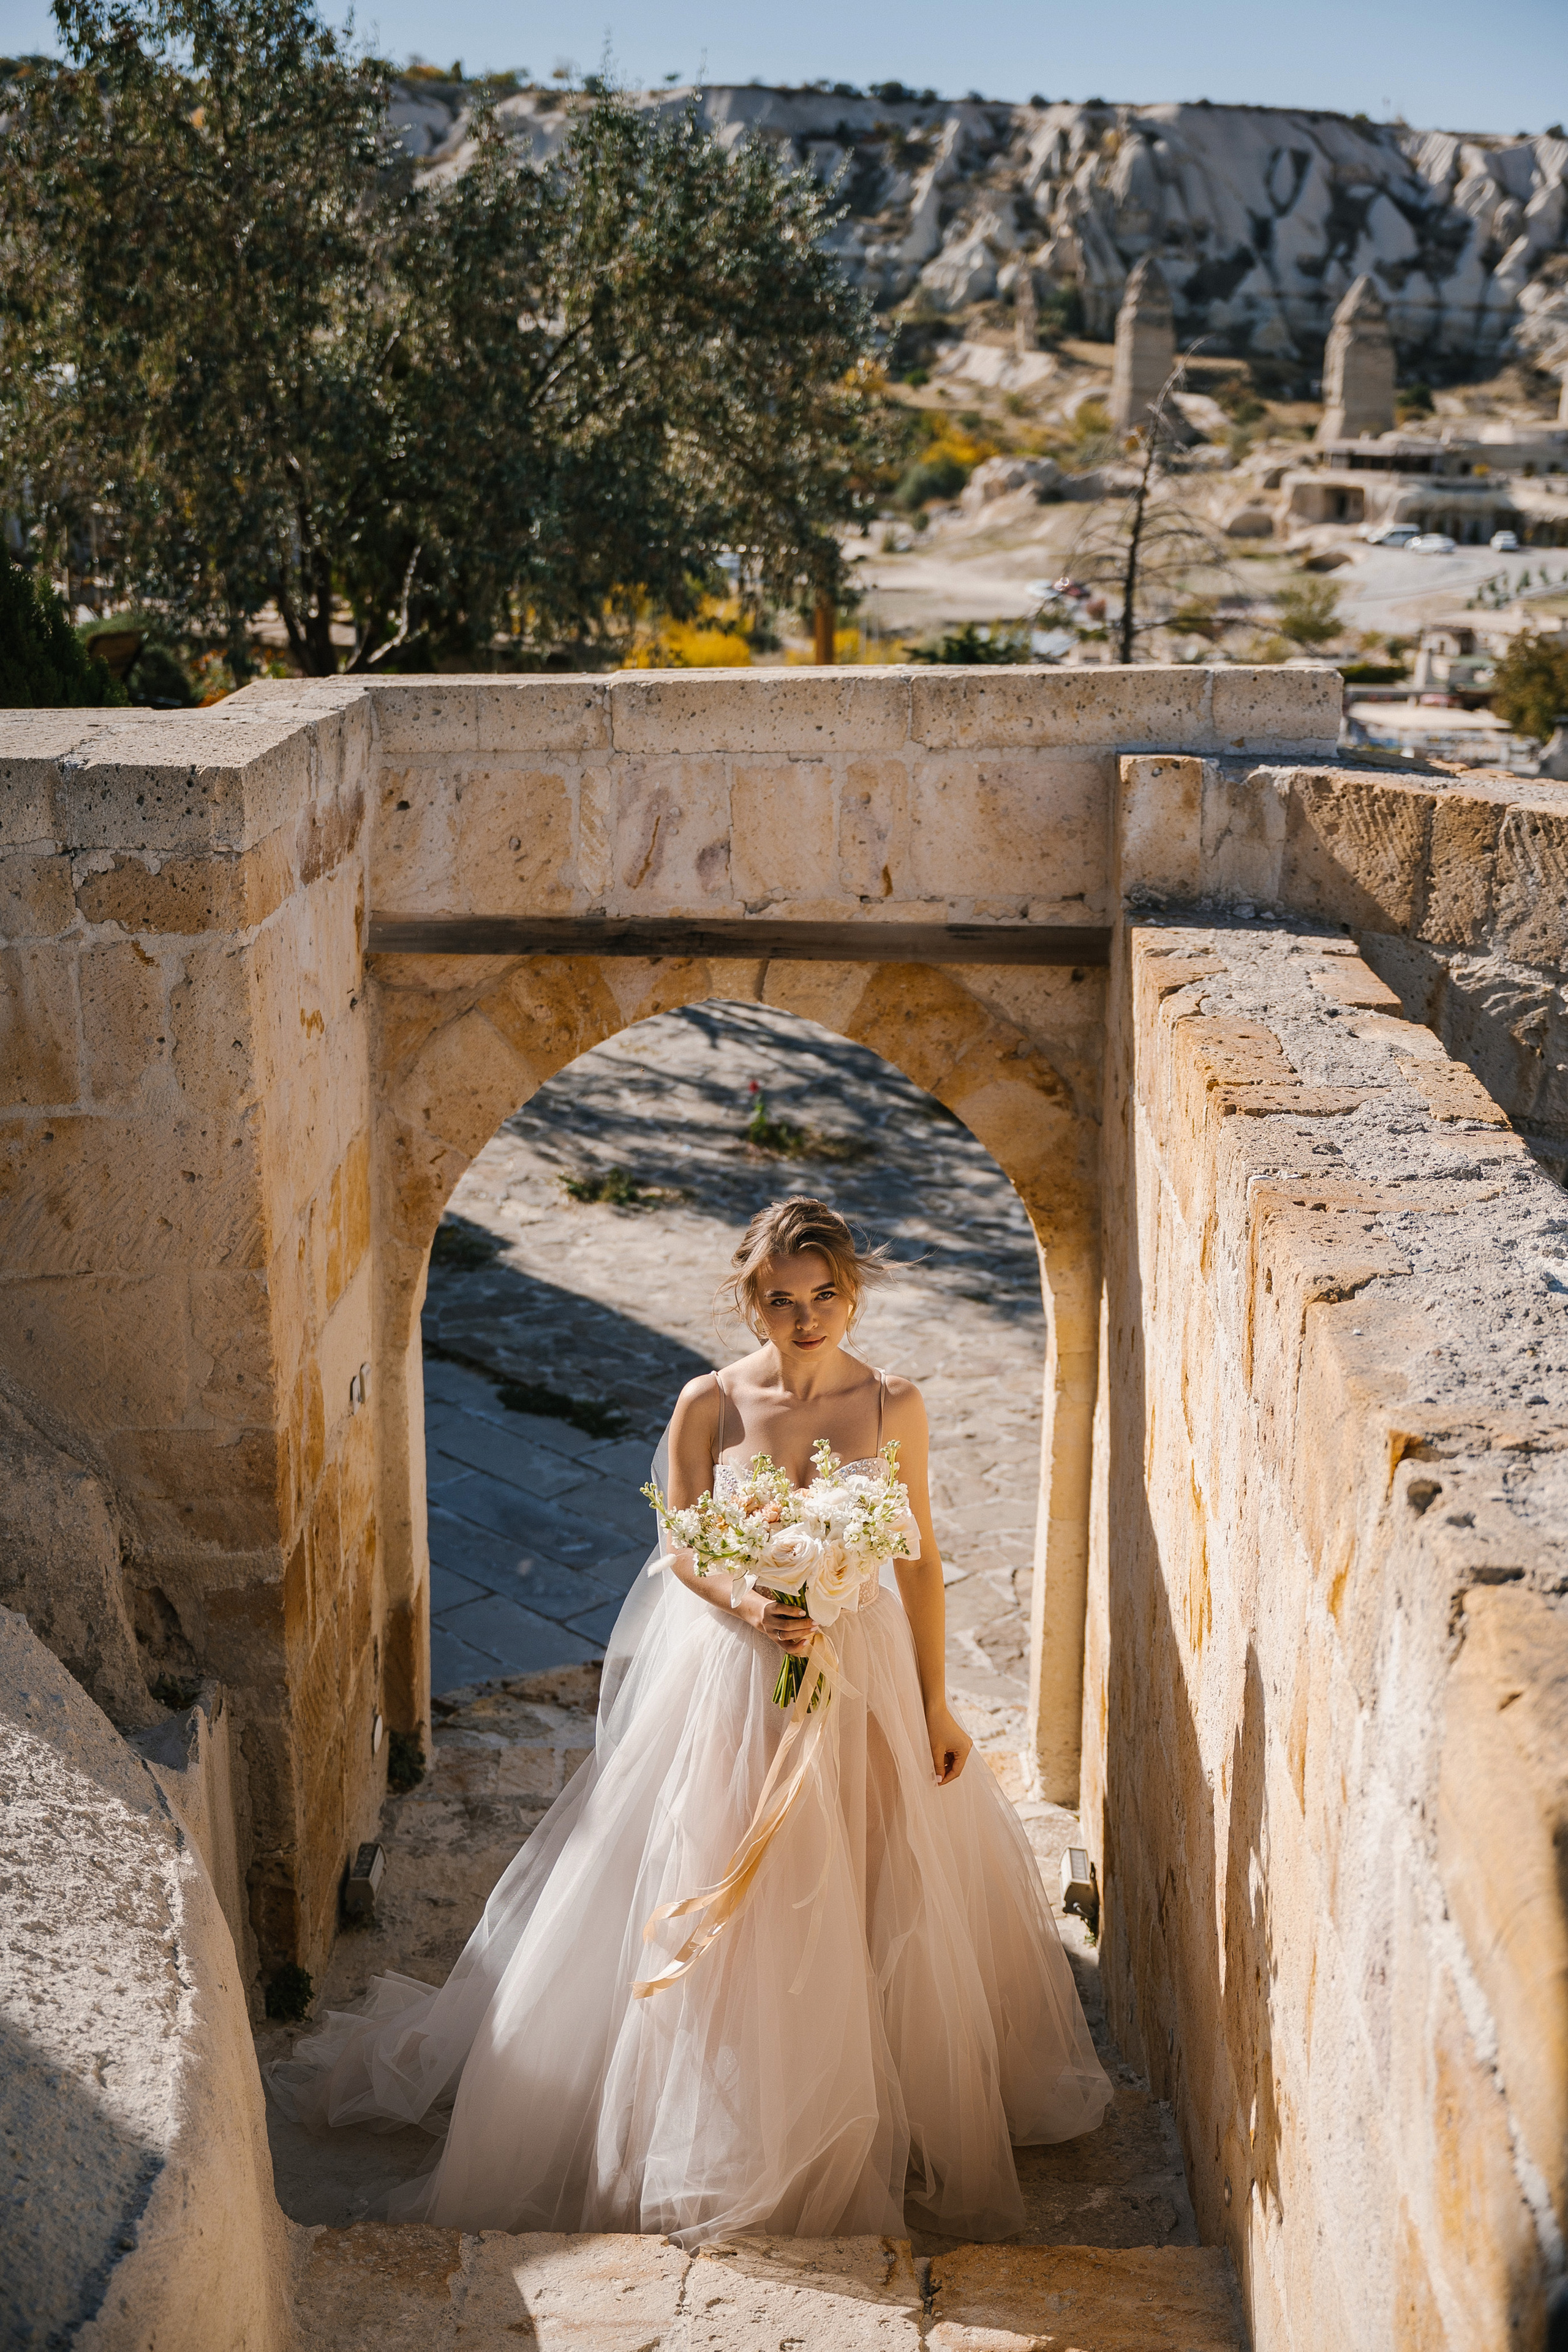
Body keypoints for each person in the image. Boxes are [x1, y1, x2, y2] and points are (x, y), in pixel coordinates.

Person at [268, 1196, 1110, 2243]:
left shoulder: (894, 1402)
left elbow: (921, 1557)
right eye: (782, 1299)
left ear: (853, 1293)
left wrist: (937, 1703)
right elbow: (681, 1546)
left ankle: (878, 2088)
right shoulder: (708, 1401)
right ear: (749, 1299)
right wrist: (759, 1603)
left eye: (826, 1297)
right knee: (722, 1870)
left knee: (876, 1867)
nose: (807, 1319)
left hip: (863, 1672)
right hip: (736, 1669)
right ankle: (732, 2113)